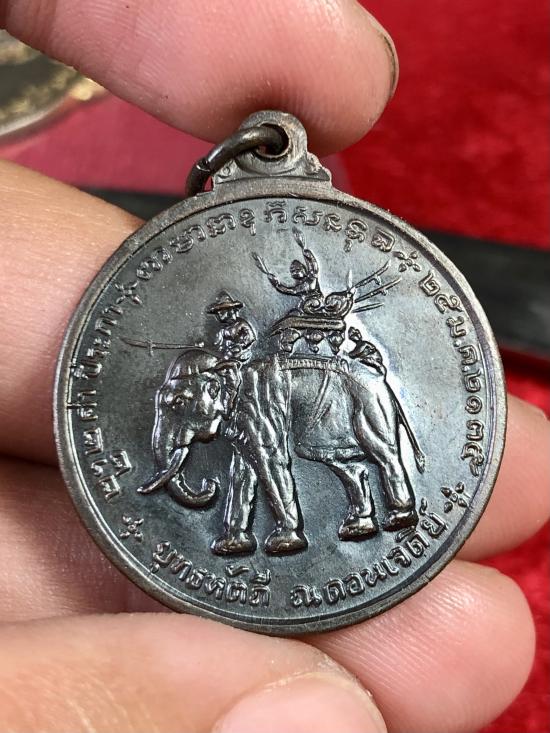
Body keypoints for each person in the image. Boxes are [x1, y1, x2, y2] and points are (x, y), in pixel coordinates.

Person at [0, 4, 548, 732]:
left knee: (355, 451)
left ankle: (345, 510)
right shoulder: (224, 359)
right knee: (272, 458)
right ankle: (315, 515)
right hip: (263, 395)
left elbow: (299, 379)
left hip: (311, 392)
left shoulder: (291, 338)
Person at [208, 291, 256, 363]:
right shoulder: (223, 330)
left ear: (230, 310)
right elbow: (218, 345)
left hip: (242, 354)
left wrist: (240, 347)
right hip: (226, 356)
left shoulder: (241, 324)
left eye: (222, 311)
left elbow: (251, 338)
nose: (219, 314)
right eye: (218, 312)